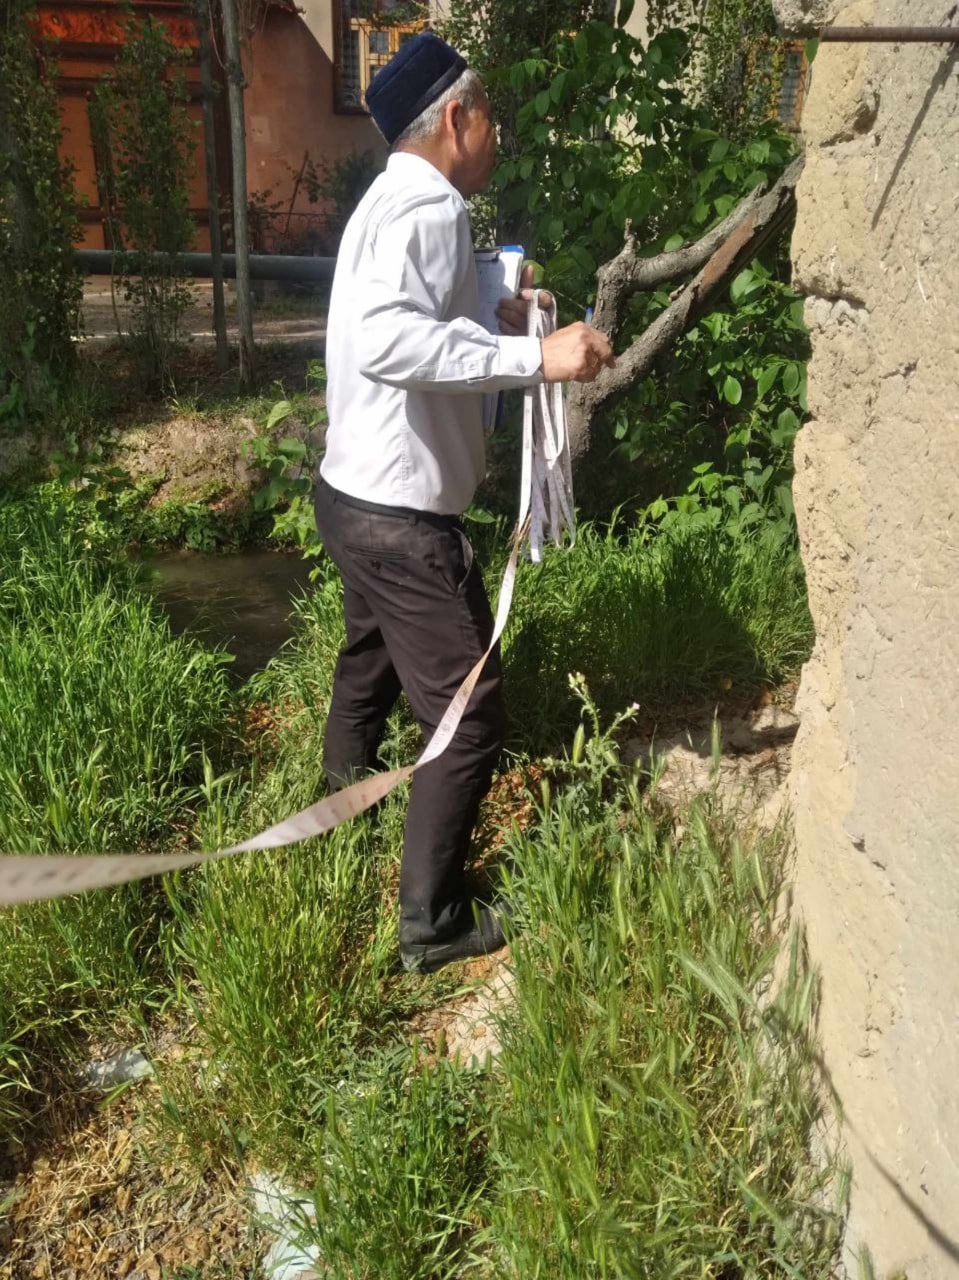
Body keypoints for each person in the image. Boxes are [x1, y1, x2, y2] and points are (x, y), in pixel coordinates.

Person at [314, 31, 613, 974]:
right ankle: (430, 925)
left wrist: (497, 312)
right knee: (468, 714)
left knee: (369, 657)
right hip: (399, 519)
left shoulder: (388, 199)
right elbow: (387, 341)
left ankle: (337, 806)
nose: (497, 138)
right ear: (456, 117)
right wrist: (536, 356)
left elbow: (411, 319)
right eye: (491, 120)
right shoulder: (431, 205)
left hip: (350, 495)